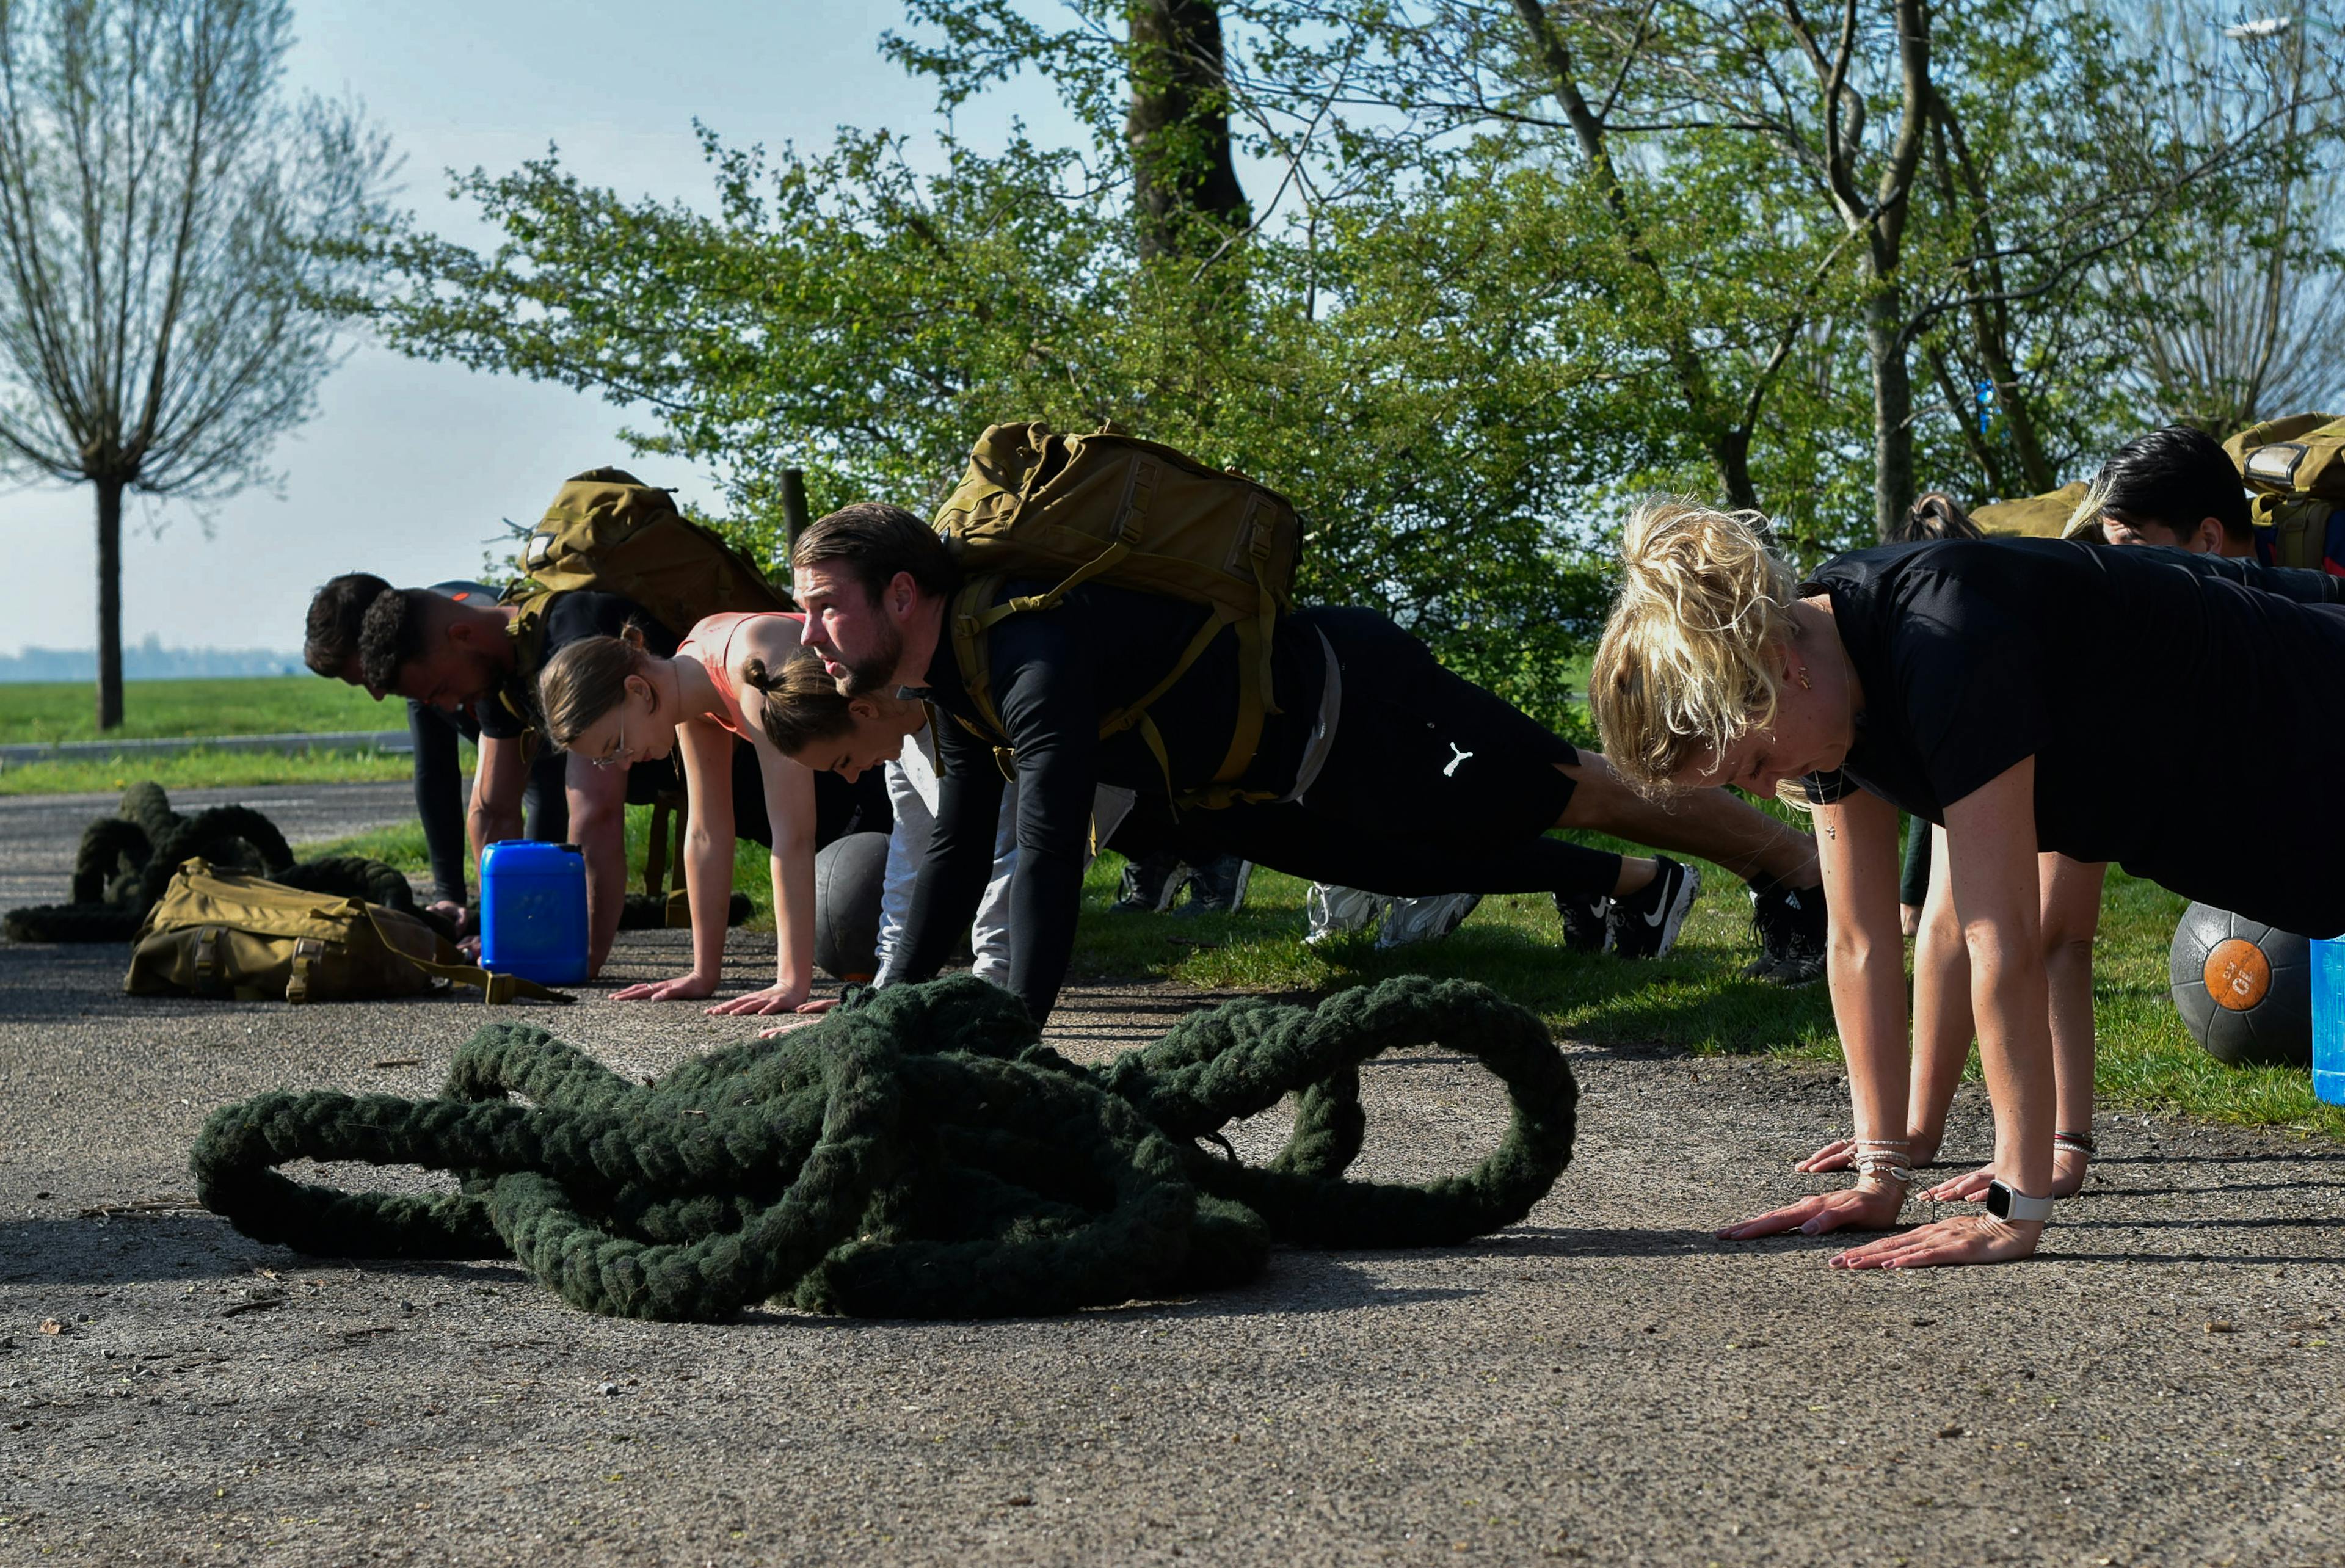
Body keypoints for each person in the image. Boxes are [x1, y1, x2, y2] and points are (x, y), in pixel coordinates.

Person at [1588, 495, 2345, 1268]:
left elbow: (2001, 936)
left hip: (2310, 722)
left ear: (1779, 668)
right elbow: (1857, 939)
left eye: (1752, 763)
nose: (1764, 787)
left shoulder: (1944, 636)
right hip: (2231, 814)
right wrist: (1881, 1172)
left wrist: (2014, 1205)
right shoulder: (1812, 682)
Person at [785, 501, 1831, 1026]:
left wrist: (1010, 1035)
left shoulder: (1026, 650)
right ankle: (1665, 890)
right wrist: (886, 1010)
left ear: (905, 594)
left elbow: (1054, 850)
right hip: (1278, 782)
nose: (813, 633)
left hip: (1363, 703)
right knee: (1420, 867)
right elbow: (961, 845)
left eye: (828, 604)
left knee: (1576, 782)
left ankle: (1797, 869)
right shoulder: (957, 670)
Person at [1808, 427, 2273, 1203]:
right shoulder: (1972, 646)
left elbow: (2058, 935)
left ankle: (2045, 1137)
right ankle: (1964, 1125)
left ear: (2210, 536)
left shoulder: (2252, 601)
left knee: (2039, 923)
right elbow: (1959, 924)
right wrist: (1909, 1138)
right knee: (1978, 910)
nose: (2114, 553)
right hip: (2031, 695)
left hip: (2128, 707)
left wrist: (2058, 1148)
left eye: (2125, 541)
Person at [534, 613, 891, 1015]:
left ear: (637, 689)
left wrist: (791, 983)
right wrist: (704, 974)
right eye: (607, 759)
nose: (623, 764)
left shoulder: (753, 666)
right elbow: (706, 833)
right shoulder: (689, 681)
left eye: (616, 744)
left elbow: (793, 834)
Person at [301, 573, 568, 929]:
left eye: (370, 679)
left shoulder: (442, 641)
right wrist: (449, 897)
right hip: (522, 743)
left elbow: (544, 784)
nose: (378, 695)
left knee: (538, 787)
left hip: (558, 735)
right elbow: (435, 775)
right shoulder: (419, 666)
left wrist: (528, 916)